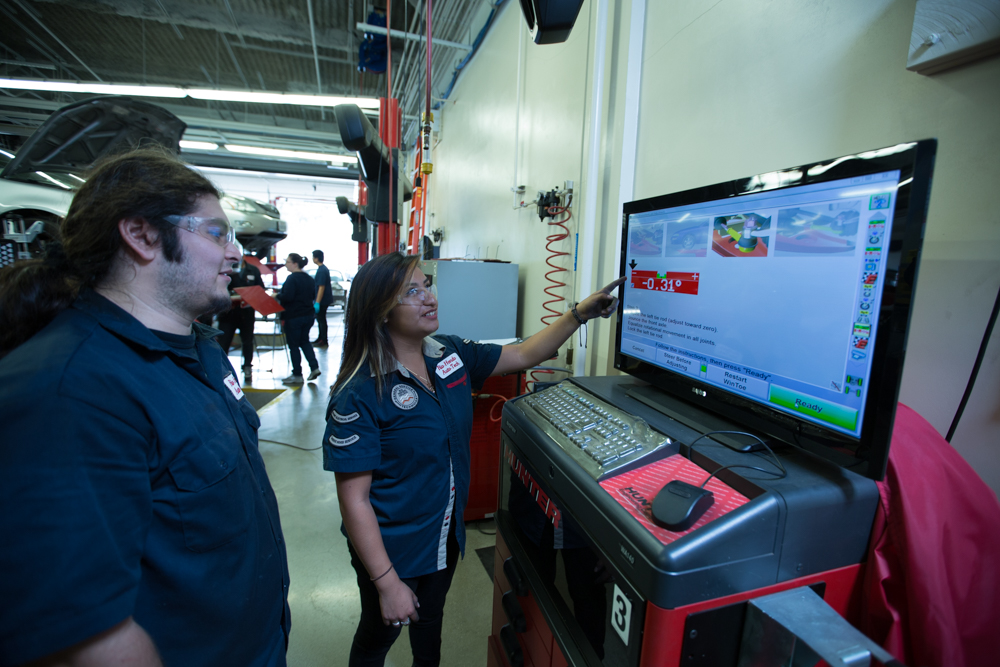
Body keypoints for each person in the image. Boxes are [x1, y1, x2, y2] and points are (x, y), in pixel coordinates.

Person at [0, 148, 291, 666]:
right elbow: (89, 641)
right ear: (142, 235)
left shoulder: (199, 348)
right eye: (217, 233)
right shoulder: (70, 392)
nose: (236, 255)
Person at [324, 252, 624, 667]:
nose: (429, 297)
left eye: (426, 284)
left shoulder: (448, 354)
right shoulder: (361, 390)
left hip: (443, 535)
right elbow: (353, 499)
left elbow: (521, 355)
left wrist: (578, 314)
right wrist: (386, 581)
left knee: (430, 628)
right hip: (391, 548)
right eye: (411, 292)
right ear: (381, 310)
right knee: (379, 635)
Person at [218, 253, 264, 380]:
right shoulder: (225, 270)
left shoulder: (253, 270)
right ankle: (221, 370)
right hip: (228, 314)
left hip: (247, 314)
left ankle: (247, 367)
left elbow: (261, 289)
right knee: (224, 342)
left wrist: (251, 295)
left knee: (247, 342)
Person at [276, 252, 320, 385]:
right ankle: (314, 367)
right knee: (305, 342)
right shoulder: (309, 279)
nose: (285, 265)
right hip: (308, 315)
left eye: (288, 262)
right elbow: (313, 295)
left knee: (294, 345)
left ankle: (297, 374)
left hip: (294, 316)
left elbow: (288, 297)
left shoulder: (292, 279)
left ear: (295, 263)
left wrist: (277, 295)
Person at [312, 248, 334, 347]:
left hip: (322, 300)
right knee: (321, 319)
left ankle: (323, 340)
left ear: (316, 258)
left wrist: (317, 302)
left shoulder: (321, 271)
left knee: (321, 319)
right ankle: (321, 337)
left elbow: (321, 287)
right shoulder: (323, 269)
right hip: (324, 300)